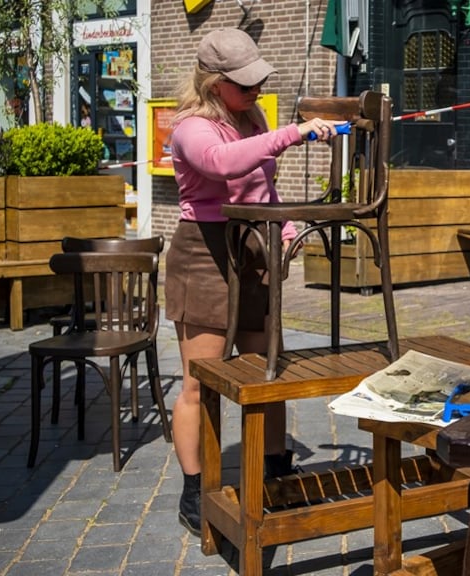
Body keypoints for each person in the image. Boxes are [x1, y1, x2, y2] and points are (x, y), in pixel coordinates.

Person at [165, 27, 343, 536]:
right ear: (213, 82)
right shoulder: (191, 127)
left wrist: (284, 227)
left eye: (257, 82)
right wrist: (295, 132)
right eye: (243, 85)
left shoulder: (251, 117)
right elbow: (222, 165)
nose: (254, 92)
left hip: (254, 249)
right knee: (200, 383)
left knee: (268, 373)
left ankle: (273, 474)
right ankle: (195, 490)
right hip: (204, 253)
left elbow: (260, 183)